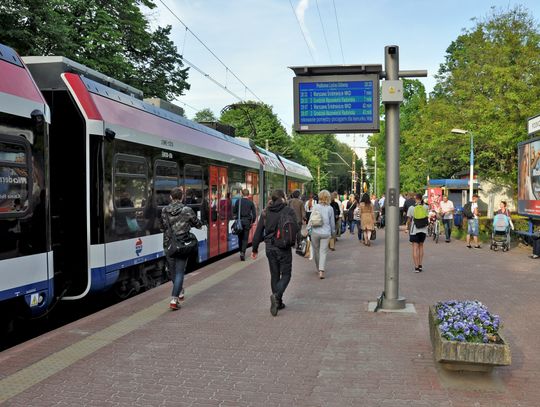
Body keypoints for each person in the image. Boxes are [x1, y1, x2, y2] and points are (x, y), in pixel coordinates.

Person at [251, 190, 295, 316]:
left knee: (274, 274)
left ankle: (278, 302)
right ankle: (276, 297)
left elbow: (258, 232)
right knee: (286, 274)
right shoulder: (288, 211)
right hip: (284, 247)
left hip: (270, 248)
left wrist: (254, 249)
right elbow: (295, 228)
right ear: (283, 198)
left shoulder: (265, 212)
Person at [161, 187, 203, 310]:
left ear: (170, 197)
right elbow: (198, 224)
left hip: (169, 244)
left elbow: (161, 227)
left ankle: (179, 291)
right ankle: (174, 299)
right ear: (182, 197)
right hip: (182, 244)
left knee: (172, 272)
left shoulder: (164, 210)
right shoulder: (187, 210)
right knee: (179, 272)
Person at [308, 190, 336, 279]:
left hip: (315, 232)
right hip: (326, 233)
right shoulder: (330, 208)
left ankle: (318, 268)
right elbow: (332, 223)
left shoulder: (315, 207)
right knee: (323, 252)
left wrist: (308, 229)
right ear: (328, 198)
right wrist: (333, 232)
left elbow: (311, 219)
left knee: (316, 251)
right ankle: (321, 270)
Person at [406, 193, 429, 272]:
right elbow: (427, 216)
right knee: (421, 247)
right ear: (421, 198)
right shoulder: (426, 207)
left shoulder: (411, 208)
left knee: (415, 248)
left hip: (414, 230)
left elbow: (409, 220)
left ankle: (416, 267)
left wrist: (407, 228)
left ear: (415, 199)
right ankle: (420, 265)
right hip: (423, 230)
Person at [233, 188, 257, 261]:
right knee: (245, 238)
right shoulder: (250, 203)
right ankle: (243, 252)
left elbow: (234, 212)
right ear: (248, 194)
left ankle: (241, 251)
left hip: (239, 222)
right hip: (247, 222)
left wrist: (236, 218)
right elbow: (254, 214)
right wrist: (252, 222)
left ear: (242, 194)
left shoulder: (238, 201)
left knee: (240, 238)